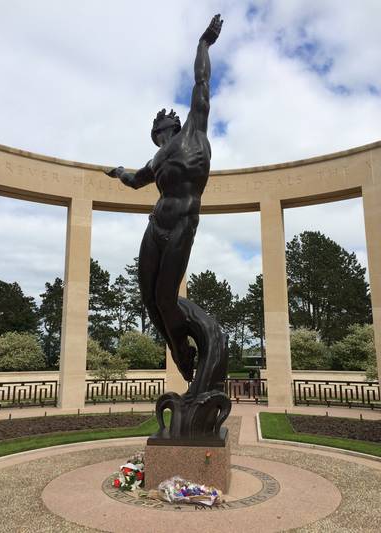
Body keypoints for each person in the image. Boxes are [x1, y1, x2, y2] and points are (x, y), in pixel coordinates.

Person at [105, 15, 223, 382]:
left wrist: (203, 45)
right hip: (156, 226)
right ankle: (178, 350)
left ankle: (191, 348)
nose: (157, 138)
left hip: (183, 225)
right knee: (150, 299)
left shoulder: (194, 131)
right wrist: (118, 171)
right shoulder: (155, 160)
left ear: (166, 129)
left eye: (158, 132)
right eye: (155, 136)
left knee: (166, 298)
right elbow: (135, 180)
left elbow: (201, 82)